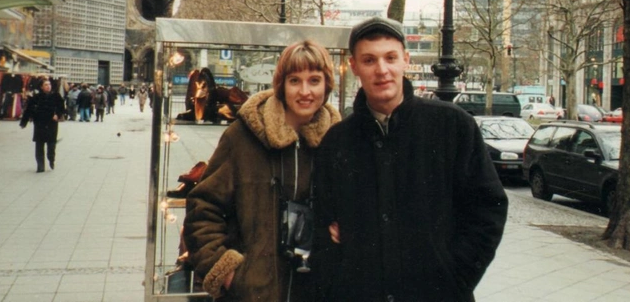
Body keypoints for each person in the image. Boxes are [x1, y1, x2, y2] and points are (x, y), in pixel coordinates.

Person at [312, 17, 508, 302]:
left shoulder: (452, 125)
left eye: (390, 58)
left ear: (406, 60)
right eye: (369, 60)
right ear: (353, 66)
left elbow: (488, 209)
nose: (382, 70)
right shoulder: (337, 141)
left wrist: (456, 278)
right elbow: (322, 226)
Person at [183, 40, 341, 301]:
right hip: (254, 293)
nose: (305, 91)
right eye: (294, 81)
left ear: (326, 85)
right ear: (281, 84)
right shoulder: (243, 136)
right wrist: (231, 274)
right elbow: (203, 207)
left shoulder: (337, 141)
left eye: (314, 80)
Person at [19, 79, 66, 172]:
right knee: (39, 145)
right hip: (39, 123)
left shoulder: (56, 96)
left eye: (49, 84)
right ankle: (40, 166)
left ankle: (51, 159)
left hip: (51, 123)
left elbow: (62, 107)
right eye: (46, 85)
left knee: (51, 144)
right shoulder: (36, 97)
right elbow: (29, 109)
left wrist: (58, 114)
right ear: (41, 87)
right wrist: (24, 122)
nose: (48, 86)